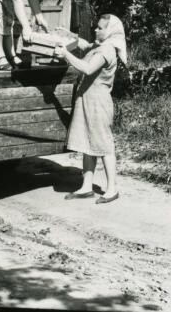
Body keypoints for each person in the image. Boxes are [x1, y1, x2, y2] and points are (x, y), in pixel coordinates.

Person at [53, 14, 127, 204]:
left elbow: (86, 68)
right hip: (87, 98)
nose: (95, 29)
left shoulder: (107, 51)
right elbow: (85, 45)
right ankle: (87, 186)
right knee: (88, 143)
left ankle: (112, 189)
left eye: (100, 28)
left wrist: (66, 55)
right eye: (96, 27)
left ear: (110, 32)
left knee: (104, 145)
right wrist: (68, 35)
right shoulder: (99, 46)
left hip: (98, 102)